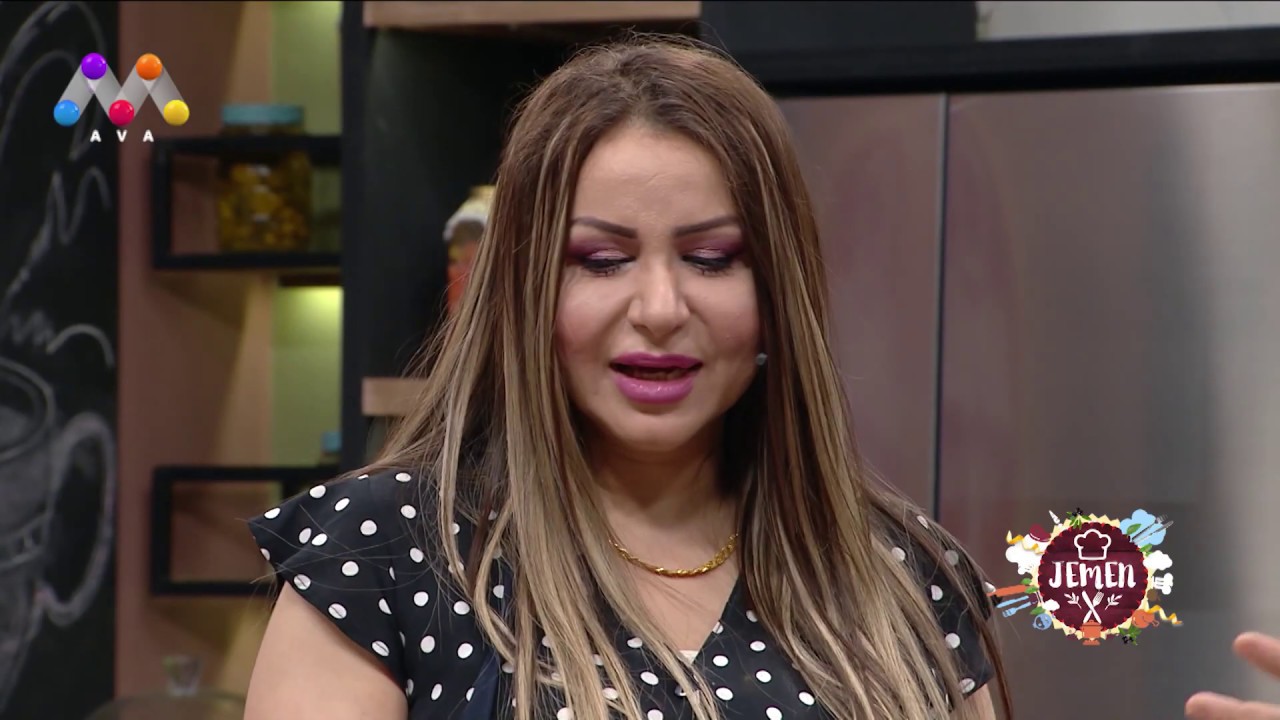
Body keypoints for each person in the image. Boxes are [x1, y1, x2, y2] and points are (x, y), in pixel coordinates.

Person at [242, 34, 1015, 720]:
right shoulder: (387, 554)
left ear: (778, 293)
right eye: (602, 261)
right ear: (524, 290)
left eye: (710, 259)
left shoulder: (904, 580)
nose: (660, 309)